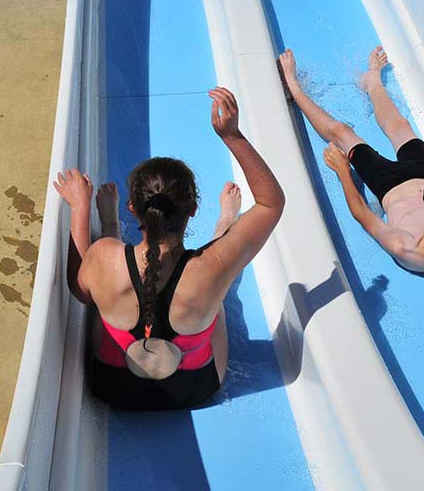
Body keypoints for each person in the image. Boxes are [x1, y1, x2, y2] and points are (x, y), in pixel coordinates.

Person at [54, 86, 284, 410]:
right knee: (219, 286)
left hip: (113, 386)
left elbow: (79, 289)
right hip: (194, 388)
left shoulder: (105, 256)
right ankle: (225, 223)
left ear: (133, 209)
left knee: (100, 295)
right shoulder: (212, 265)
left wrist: (79, 207)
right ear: (193, 209)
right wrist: (232, 136)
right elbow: (271, 203)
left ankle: (110, 224)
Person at [278, 46, 424, 274]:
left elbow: (361, 213)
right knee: (400, 126)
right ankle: (372, 82)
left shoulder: (405, 247)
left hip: (387, 183)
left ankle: (294, 87)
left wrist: (343, 172)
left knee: (343, 133)